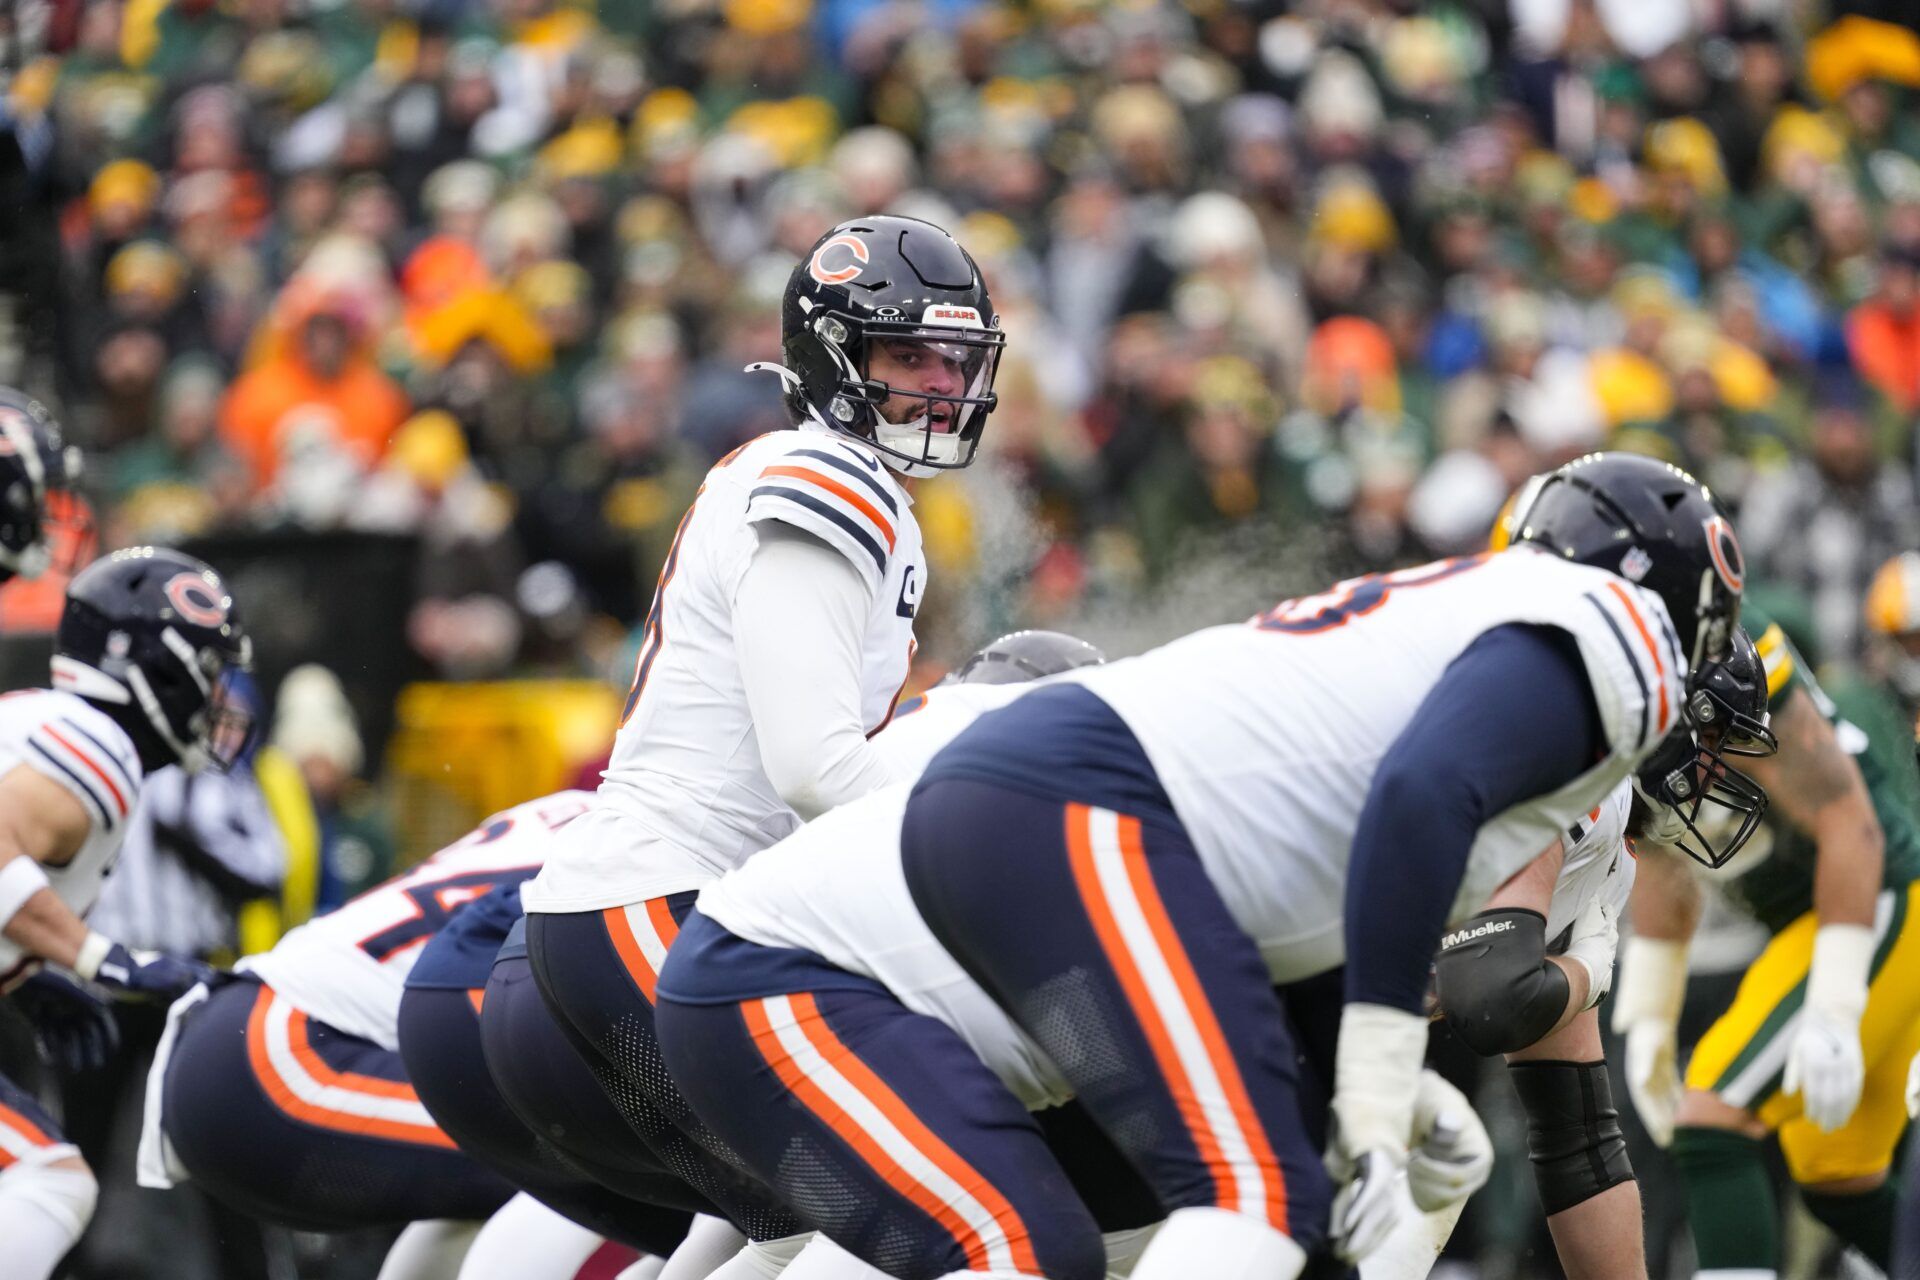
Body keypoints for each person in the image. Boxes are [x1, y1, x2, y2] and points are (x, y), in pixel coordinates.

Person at [653, 452, 1740, 1279]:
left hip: (918, 894)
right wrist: (1375, 1071)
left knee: (1086, 1229)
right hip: (1018, 850)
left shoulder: (1437, 663)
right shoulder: (1600, 640)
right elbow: (1427, 832)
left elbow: (1331, 917)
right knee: (1234, 1198)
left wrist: (1374, 1083)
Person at [496, 215, 1005, 1278]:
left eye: (952, 360)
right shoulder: (827, 479)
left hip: (633, 913)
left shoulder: (830, 478)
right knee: (879, 1214)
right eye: (907, 355)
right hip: (660, 905)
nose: (939, 385)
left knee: (773, 1225)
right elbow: (815, 767)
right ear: (831, 354)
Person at [401, 631, 1107, 1280]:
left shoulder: (904, 732)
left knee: (775, 1229)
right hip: (650, 960)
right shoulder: (1043, 754)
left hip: (532, 974)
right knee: (911, 1216)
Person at [135, 790, 683, 1280]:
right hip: (280, 1048)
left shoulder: (580, 811)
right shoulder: (659, 848)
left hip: (246, 1037)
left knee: (519, 1173)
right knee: (588, 1164)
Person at [1612, 592, 1920, 1278]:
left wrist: (1836, 1006)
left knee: (1712, 1116)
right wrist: (1651, 1016)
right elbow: (1659, 842)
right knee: (1838, 1175)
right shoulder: (1614, 681)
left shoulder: (1728, 654)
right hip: (1812, 920)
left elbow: (1851, 823)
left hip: (1878, 902)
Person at [0, 543, 252, 1280]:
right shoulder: (97, 746)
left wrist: (27, 972)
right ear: (158, 667)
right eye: (206, 675)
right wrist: (94, 955)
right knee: (46, 1178)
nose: (215, 700)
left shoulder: (43, 721)